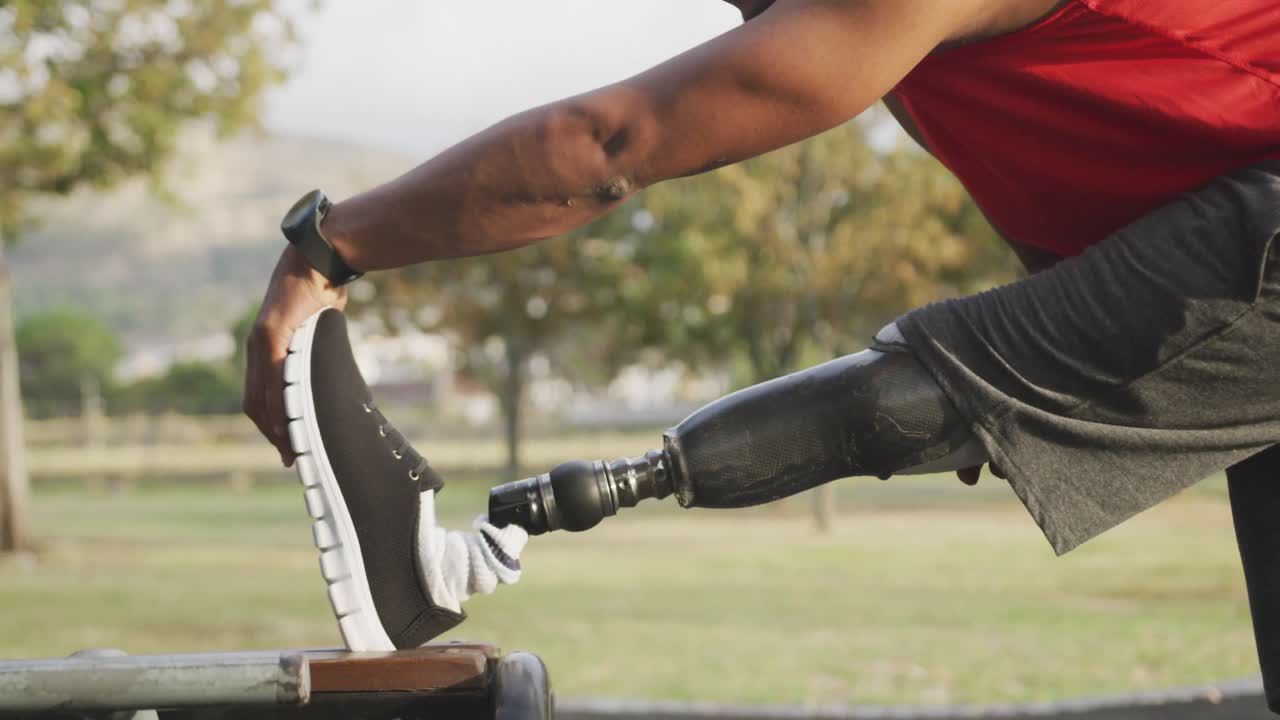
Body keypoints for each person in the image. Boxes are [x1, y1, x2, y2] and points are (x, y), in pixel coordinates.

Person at [242, 0, 1280, 710]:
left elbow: (609, 146)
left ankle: (513, 528)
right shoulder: (928, 69)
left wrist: (330, 245)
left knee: (917, 392)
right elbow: (1101, 236)